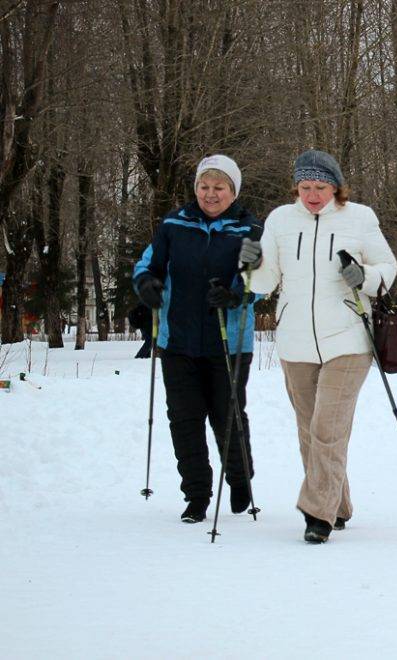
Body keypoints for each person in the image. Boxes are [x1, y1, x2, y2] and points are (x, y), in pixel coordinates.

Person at [243, 149, 397, 544]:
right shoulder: (279, 220)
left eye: (321, 186)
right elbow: (263, 283)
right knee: (309, 430)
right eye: (306, 186)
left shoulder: (360, 218)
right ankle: (338, 504)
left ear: (336, 187)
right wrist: (248, 266)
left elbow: (387, 270)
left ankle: (317, 514)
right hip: (295, 341)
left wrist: (362, 276)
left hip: (348, 338)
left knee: (328, 427)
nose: (313, 194)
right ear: (296, 186)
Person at [132, 154, 260, 523]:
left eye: (219, 187)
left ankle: (239, 479)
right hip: (178, 340)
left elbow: (259, 276)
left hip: (229, 341)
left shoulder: (249, 229)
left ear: (233, 191)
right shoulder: (174, 224)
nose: (210, 193)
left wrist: (237, 294)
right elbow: (148, 263)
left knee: (228, 416)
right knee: (184, 420)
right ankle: (197, 494)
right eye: (204, 186)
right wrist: (146, 284)